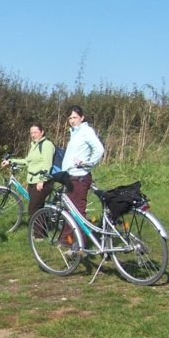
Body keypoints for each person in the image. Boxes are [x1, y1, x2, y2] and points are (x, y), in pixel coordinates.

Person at [60, 105, 104, 247]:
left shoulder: (86, 131)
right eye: (70, 118)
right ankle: (67, 241)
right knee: (68, 210)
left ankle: (80, 245)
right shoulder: (74, 132)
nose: (72, 120)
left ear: (82, 118)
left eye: (75, 117)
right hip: (70, 177)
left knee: (78, 212)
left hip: (80, 178)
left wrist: (88, 164)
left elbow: (99, 149)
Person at [1, 124, 55, 228]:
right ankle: (40, 231)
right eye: (31, 133)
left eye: (35, 132)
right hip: (32, 181)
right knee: (37, 207)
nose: (33, 135)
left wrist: (42, 180)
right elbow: (27, 161)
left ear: (42, 132)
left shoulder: (46, 145)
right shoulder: (34, 145)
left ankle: (39, 236)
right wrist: (10, 161)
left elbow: (47, 164)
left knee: (33, 208)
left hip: (41, 181)